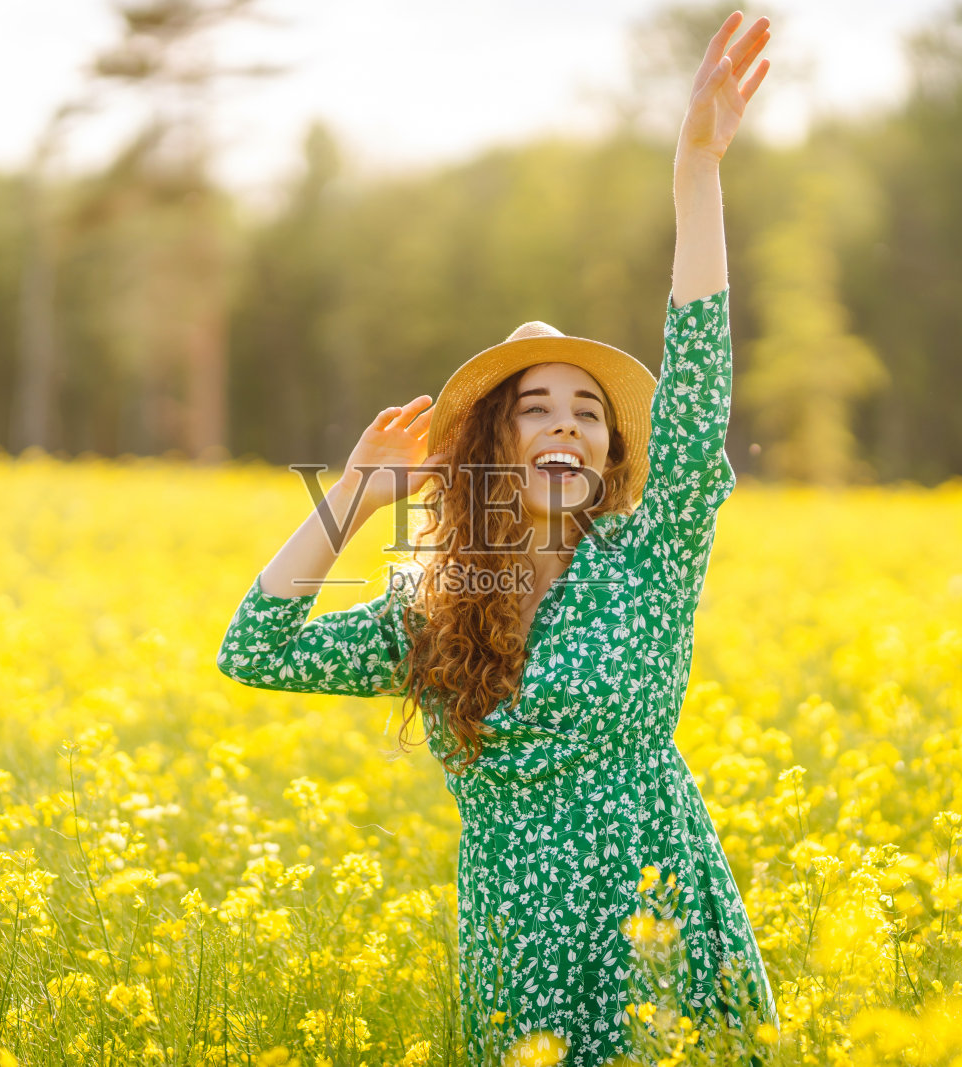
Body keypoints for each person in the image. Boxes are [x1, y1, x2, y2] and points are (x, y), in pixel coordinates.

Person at [217, 12, 776, 1065]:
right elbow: (256, 649)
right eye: (536, 406)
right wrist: (350, 498)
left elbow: (698, 380)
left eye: (587, 407)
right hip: (523, 954)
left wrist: (694, 169)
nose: (565, 420)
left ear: (611, 451)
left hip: (663, 923)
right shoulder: (437, 605)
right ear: (493, 443)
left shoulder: (649, 563)